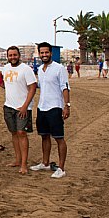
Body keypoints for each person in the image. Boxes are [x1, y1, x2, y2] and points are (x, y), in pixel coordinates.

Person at [30, 42, 71, 179]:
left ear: (51, 53)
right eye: (42, 53)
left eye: (46, 52)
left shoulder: (59, 68)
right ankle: (45, 163)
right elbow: (38, 86)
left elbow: (64, 87)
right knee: (44, 136)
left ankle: (61, 168)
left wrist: (67, 105)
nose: (44, 55)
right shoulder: (40, 69)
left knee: (59, 138)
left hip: (55, 107)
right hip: (42, 107)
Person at [2, 46, 37, 175]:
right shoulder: (5, 69)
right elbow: (4, 84)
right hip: (9, 106)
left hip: (23, 108)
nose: (12, 57)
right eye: (10, 55)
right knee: (14, 133)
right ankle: (17, 160)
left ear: (19, 55)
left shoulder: (26, 70)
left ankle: (24, 164)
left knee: (22, 133)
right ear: (7, 56)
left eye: (15, 55)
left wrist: (25, 106)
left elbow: (33, 88)